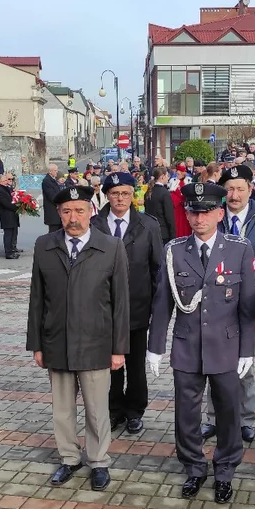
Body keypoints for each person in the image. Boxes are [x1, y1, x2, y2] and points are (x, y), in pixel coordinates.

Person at [147, 182, 255, 504]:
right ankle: (194, 467)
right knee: (186, 415)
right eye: (193, 211)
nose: (199, 218)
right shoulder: (174, 250)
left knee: (228, 413)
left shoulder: (239, 248)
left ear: (220, 212)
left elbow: (248, 304)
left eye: (206, 211)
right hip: (186, 347)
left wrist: (247, 348)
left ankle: (224, 470)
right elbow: (162, 302)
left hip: (226, 346)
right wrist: (155, 346)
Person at [26, 184, 130, 492]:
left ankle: (98, 461)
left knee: (98, 409)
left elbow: (120, 302)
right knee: (62, 409)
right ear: (58, 213)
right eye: (67, 211)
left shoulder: (110, 246)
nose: (74, 218)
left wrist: (119, 348)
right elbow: (37, 297)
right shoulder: (44, 245)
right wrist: (37, 344)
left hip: (96, 342)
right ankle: (69, 458)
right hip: (56, 339)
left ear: (91, 212)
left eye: (80, 210)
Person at [199, 165, 255, 444]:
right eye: (229, 189)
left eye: (240, 188)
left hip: (250, 310)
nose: (234, 194)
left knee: (243, 366)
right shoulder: (214, 218)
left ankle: (246, 420)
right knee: (214, 365)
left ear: (251, 189)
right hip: (215, 310)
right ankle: (214, 418)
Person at [91, 172, 164, 434]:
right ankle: (113, 410)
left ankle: (134, 410)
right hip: (103, 309)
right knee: (107, 365)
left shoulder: (148, 225)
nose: (120, 198)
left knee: (135, 364)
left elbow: (158, 269)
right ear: (106, 195)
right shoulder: (94, 224)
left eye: (125, 193)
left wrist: (158, 308)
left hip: (137, 307)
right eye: (114, 193)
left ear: (134, 195)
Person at [144, 166, 176, 243]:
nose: (168, 178)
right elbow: (169, 216)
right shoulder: (165, 193)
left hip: (150, 231)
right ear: (162, 177)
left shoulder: (148, 192)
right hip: (163, 233)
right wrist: (173, 235)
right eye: (167, 176)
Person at [0, 173, 20, 259]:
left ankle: (12, 250)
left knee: (12, 234)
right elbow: (6, 204)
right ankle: (8, 253)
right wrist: (17, 207)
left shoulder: (6, 188)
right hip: (7, 215)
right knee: (8, 234)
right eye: (5, 180)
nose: (6, 182)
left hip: (12, 215)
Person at [41, 164, 62, 233]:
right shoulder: (47, 181)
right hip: (52, 211)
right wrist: (61, 202)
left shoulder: (53, 179)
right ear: (50, 171)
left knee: (58, 232)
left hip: (57, 212)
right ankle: (52, 244)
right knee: (53, 232)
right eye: (55, 170)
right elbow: (52, 196)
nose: (57, 172)